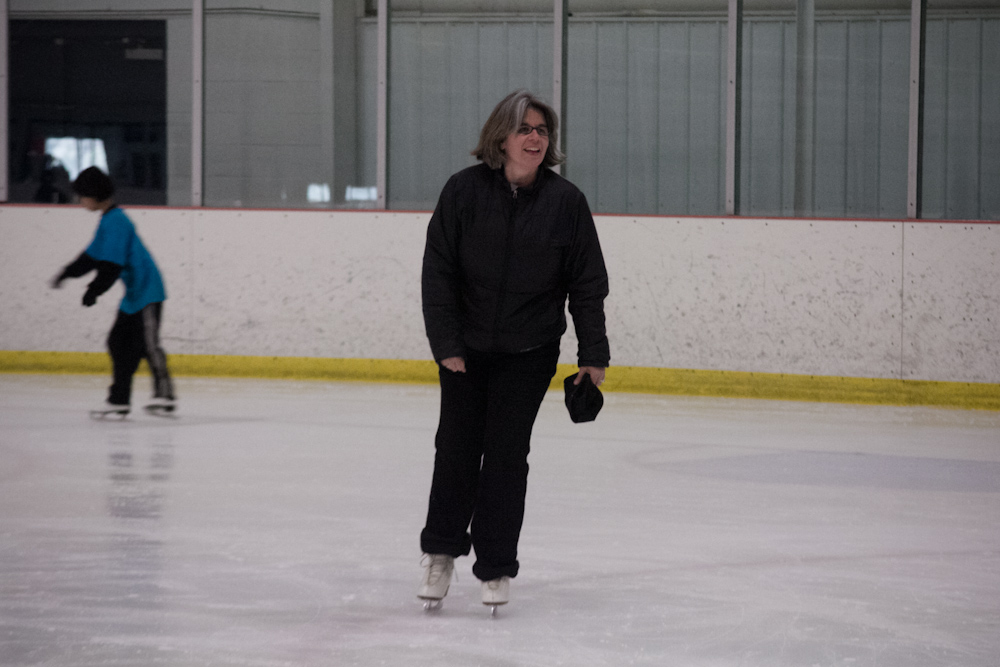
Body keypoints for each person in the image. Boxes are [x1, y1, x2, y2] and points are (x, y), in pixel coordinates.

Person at [418, 90, 610, 610]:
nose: (534, 138)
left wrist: (593, 354)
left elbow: (587, 283)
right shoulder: (463, 192)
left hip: (529, 351)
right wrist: (447, 344)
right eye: (524, 129)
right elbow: (438, 273)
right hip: (466, 350)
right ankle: (440, 552)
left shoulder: (565, 202)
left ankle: (496, 565)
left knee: (506, 455)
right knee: (455, 449)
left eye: (542, 131)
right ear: (500, 137)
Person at [50, 166, 176, 418]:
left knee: (148, 346)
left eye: (82, 195)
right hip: (133, 296)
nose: (80, 201)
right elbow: (91, 257)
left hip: (148, 291)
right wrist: (66, 272)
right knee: (118, 343)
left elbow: (111, 266)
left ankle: (165, 395)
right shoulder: (108, 220)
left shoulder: (117, 221)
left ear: (95, 194)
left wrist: (93, 291)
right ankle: (119, 400)